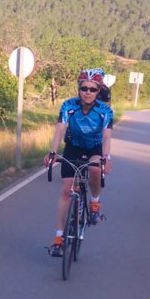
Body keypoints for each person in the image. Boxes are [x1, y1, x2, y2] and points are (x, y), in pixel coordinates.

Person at [44, 70, 115, 255]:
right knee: (67, 191)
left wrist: (106, 158)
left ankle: (95, 203)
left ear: (98, 91)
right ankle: (58, 238)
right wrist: (52, 152)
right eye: (84, 88)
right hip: (73, 147)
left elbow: (107, 136)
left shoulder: (105, 110)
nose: (88, 92)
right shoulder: (68, 106)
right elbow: (60, 130)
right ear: (79, 89)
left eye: (92, 89)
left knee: (94, 169)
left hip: (95, 149)